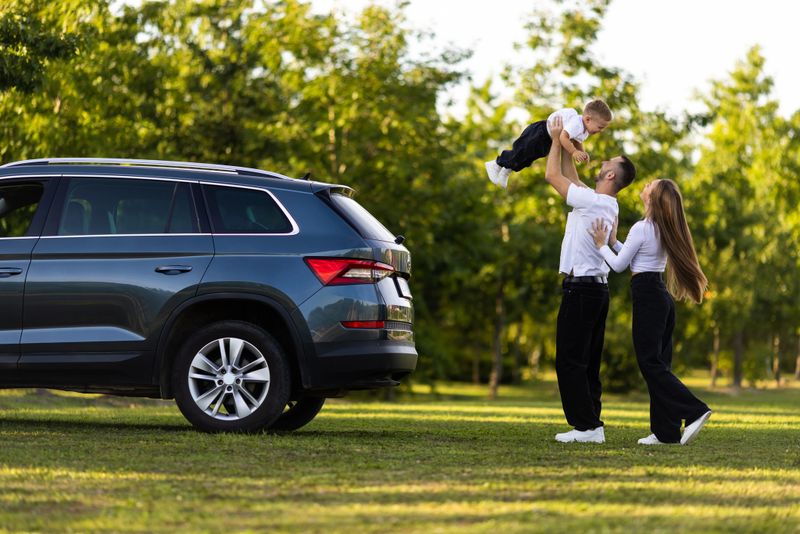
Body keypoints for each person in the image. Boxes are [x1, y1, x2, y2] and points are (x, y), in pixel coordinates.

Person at [588, 179, 712, 445]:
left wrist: (601, 245)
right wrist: (613, 241)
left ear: (652, 198)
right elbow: (637, 258)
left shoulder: (643, 228)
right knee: (659, 363)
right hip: (660, 297)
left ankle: (694, 410)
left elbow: (620, 266)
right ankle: (666, 432)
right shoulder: (660, 228)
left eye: (649, 185)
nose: (644, 186)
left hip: (647, 296)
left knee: (650, 364)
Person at [544, 115, 636, 443]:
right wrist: (572, 145)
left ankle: (584, 427)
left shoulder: (595, 201)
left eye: (608, 162)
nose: (602, 160)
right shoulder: (605, 203)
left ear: (610, 174)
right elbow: (573, 178)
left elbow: (552, 175)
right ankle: (592, 426)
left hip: (582, 290)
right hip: (595, 291)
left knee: (569, 360)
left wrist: (556, 139)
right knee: (588, 362)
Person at [486, 99, 612, 189]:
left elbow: (578, 142)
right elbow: (563, 137)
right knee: (520, 152)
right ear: (588, 119)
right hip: (540, 133)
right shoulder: (577, 123)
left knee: (527, 159)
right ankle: (496, 164)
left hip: (547, 141)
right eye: (600, 127)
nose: (600, 131)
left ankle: (506, 171)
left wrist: (582, 153)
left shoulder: (585, 131)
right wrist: (574, 152)